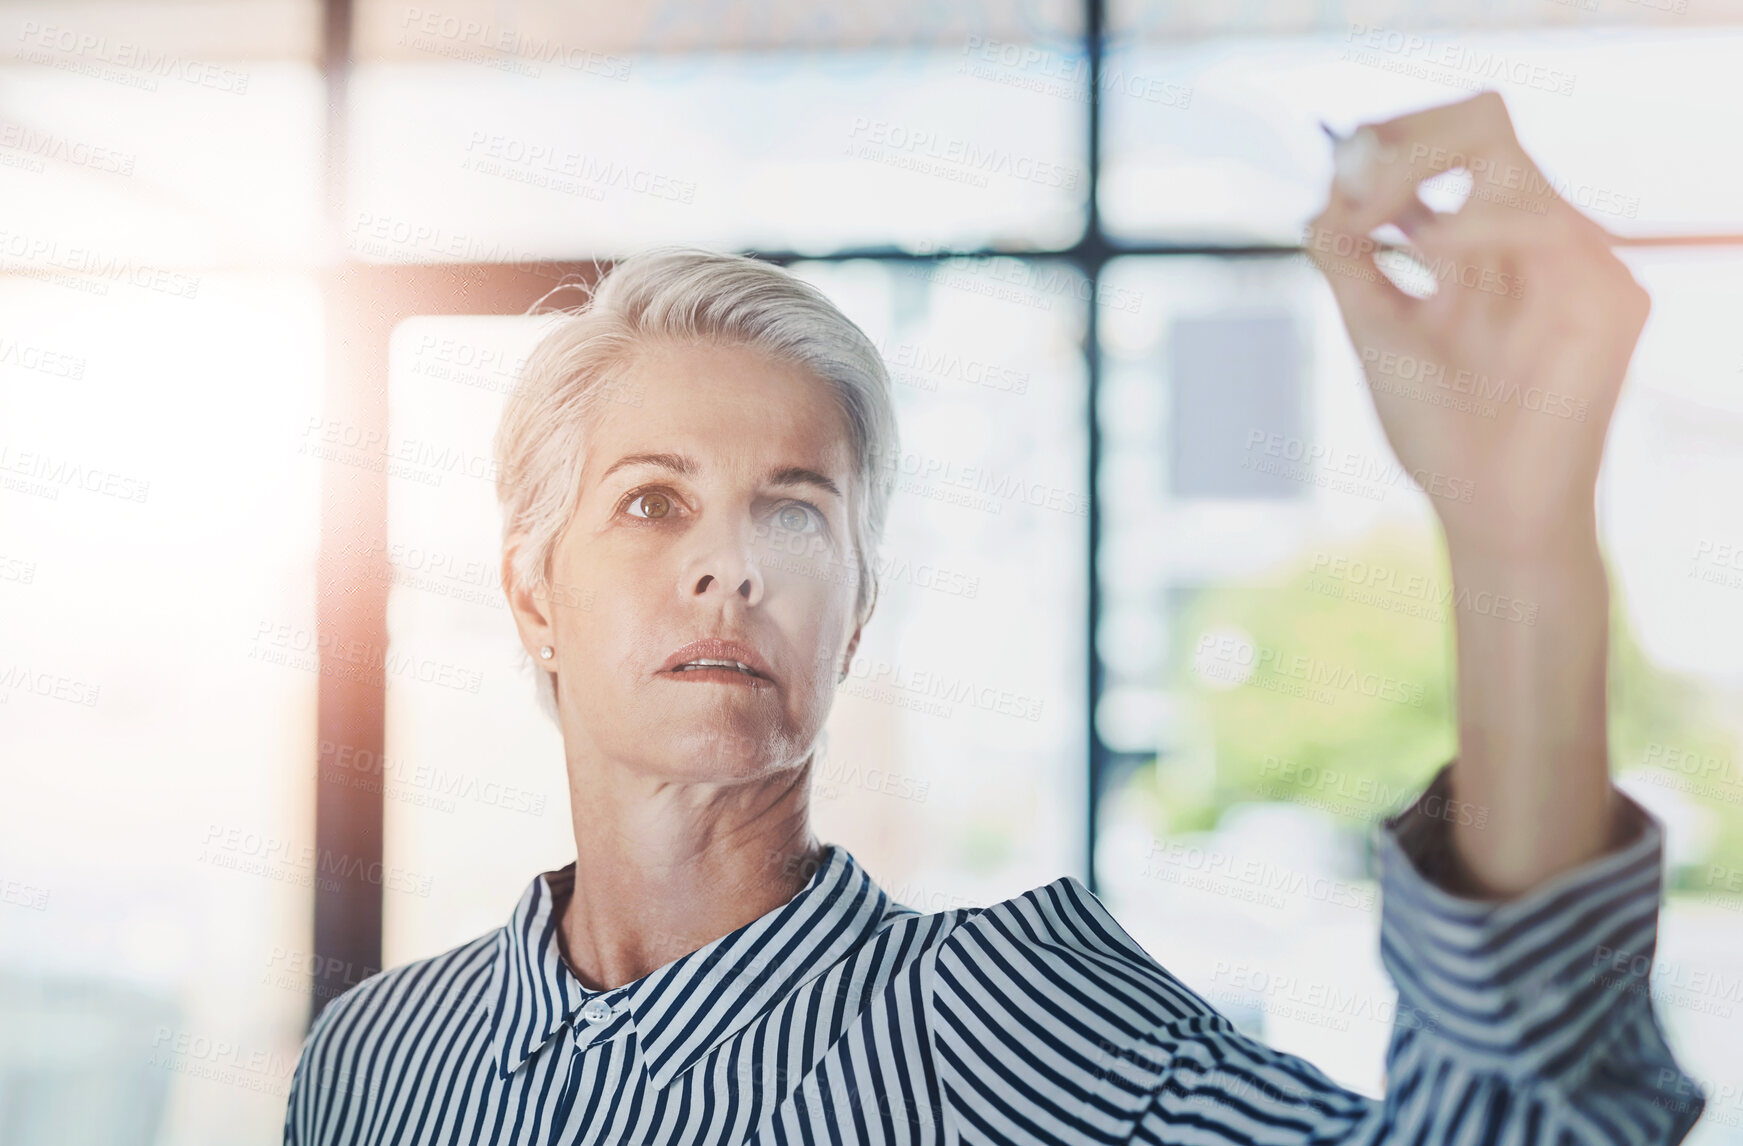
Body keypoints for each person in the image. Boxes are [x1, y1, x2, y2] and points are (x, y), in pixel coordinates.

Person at [284, 91, 1705, 1144]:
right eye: (654, 503)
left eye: (796, 508)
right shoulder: (375, 1063)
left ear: (855, 615)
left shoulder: (1005, 1016)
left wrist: (1521, 546)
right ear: (533, 586)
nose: (734, 566)